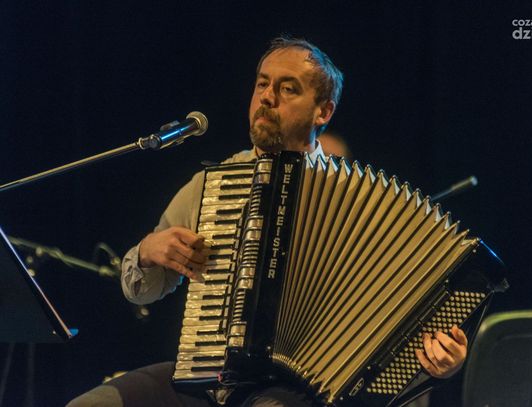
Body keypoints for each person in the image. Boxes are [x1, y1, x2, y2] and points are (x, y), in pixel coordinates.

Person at [68, 37, 468, 407]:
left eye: (288, 88)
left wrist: (441, 360)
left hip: (303, 388)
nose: (267, 97)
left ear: (323, 111)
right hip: (207, 377)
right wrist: (147, 252)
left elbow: (406, 327)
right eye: (262, 84)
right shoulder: (213, 186)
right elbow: (141, 292)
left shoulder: (367, 204)